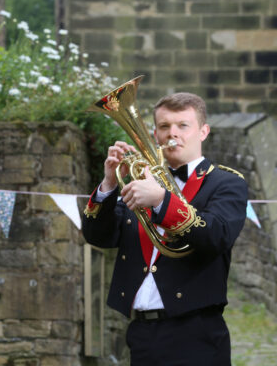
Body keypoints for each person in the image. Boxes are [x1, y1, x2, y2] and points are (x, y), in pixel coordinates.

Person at [82, 92, 247, 365]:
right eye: (164, 126)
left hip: (196, 333)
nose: (173, 134)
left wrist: (161, 200)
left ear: (203, 131)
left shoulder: (225, 183)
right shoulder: (139, 179)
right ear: (155, 134)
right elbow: (98, 236)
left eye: (183, 125)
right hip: (140, 334)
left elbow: (217, 235)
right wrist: (109, 185)